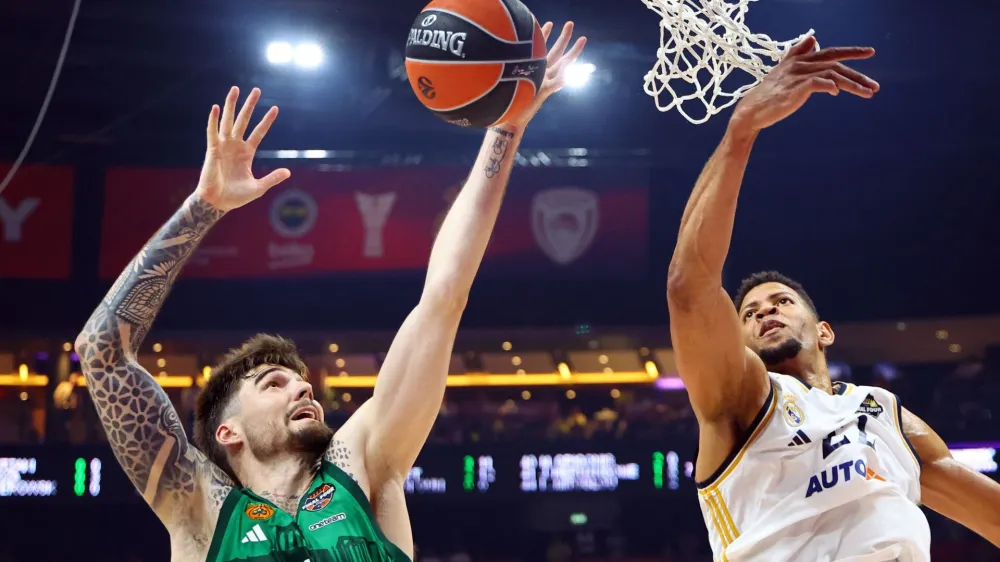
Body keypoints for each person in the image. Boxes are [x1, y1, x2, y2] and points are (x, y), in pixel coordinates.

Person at [74, 22, 586, 562]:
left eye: (301, 382)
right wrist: (204, 206)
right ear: (227, 432)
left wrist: (505, 129)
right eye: (275, 383)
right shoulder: (199, 507)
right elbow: (101, 352)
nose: (304, 390)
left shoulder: (364, 463)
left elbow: (444, 295)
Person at [666, 36, 1000, 561]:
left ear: (824, 331)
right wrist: (741, 131)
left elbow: (988, 512)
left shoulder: (886, 414)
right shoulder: (745, 395)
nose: (764, 312)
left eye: (780, 302)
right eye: (749, 313)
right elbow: (689, 289)